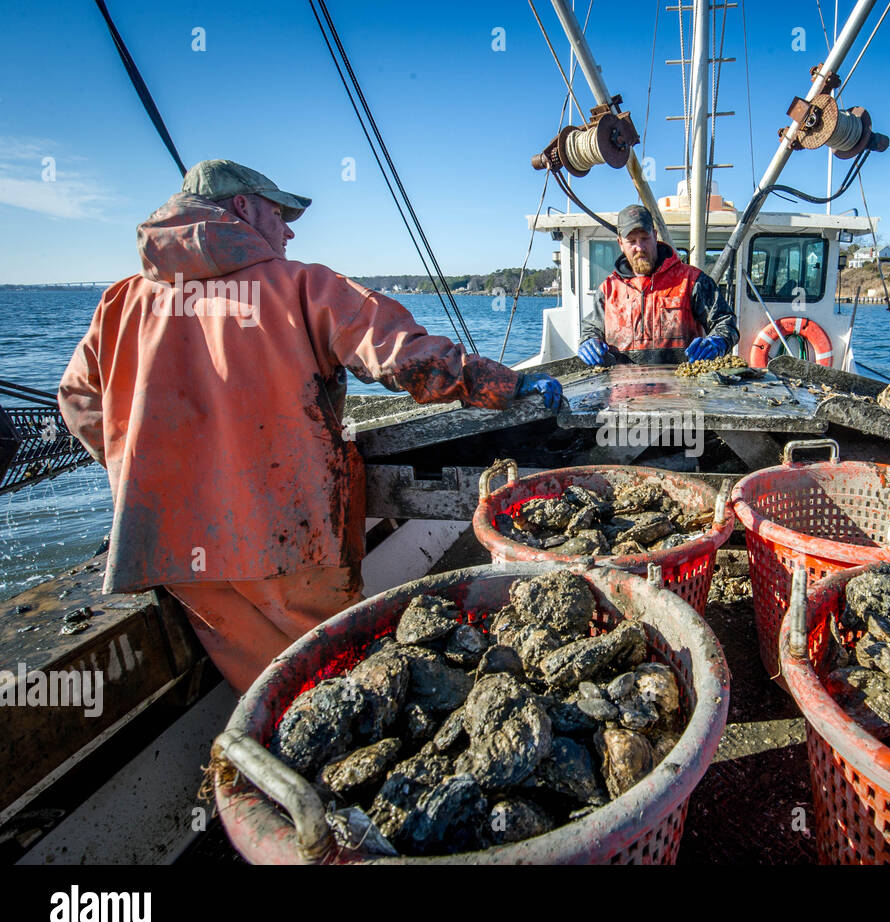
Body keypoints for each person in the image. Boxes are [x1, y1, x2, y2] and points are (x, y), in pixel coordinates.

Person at [59, 159, 562, 692]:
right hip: (284, 534)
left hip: (176, 552)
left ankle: (253, 771)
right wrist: (501, 384)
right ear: (244, 208)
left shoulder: (119, 303)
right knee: (339, 686)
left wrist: (148, 475)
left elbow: (77, 402)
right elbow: (400, 358)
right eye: (280, 212)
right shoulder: (302, 285)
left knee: (264, 693)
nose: (290, 228)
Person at [578, 204, 739, 364]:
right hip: (621, 386)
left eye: (645, 238)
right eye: (631, 241)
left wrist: (717, 342)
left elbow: (725, 322)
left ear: (655, 236)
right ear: (620, 243)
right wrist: (588, 341)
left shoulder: (691, 281)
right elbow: (592, 329)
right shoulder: (608, 290)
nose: (639, 247)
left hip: (684, 386)